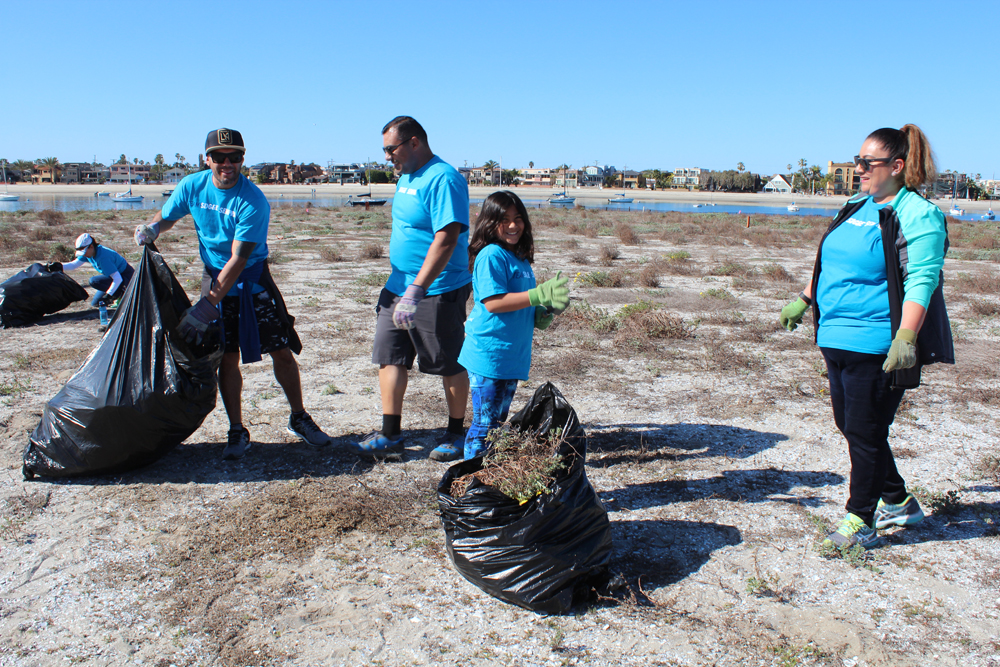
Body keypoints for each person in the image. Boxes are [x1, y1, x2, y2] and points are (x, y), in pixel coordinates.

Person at [779, 124, 953, 548]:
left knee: (864, 429)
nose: (858, 169)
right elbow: (830, 262)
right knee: (855, 426)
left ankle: (861, 520)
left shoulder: (916, 214)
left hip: (875, 342)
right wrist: (804, 299)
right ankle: (897, 501)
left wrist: (906, 337)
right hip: (834, 336)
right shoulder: (856, 204)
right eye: (857, 160)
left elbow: (922, 281)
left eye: (866, 163)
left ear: (896, 166)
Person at [134, 127, 332, 460]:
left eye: (235, 156)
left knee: (281, 351)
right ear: (206, 158)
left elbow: (239, 260)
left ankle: (299, 417)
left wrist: (205, 307)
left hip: (252, 280)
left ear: (243, 158)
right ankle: (237, 430)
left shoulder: (252, 200)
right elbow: (167, 217)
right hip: (213, 277)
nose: (228, 163)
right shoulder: (191, 186)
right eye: (220, 157)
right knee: (227, 357)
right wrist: (153, 227)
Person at [356, 116, 472, 461]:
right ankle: (390, 434)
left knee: (447, 362)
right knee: (389, 355)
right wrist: (404, 287)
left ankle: (456, 433)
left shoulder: (444, 178)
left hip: (437, 289)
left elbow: (447, 236)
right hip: (397, 287)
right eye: (385, 150)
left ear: (415, 142)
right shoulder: (406, 175)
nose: (388, 157)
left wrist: (418, 289)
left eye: (391, 149)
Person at [458, 191, 569, 460]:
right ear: (489, 222)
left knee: (496, 423)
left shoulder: (519, 258)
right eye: (504, 219)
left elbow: (522, 302)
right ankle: (472, 480)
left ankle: (486, 475)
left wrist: (545, 310)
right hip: (490, 353)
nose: (512, 225)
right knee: (485, 425)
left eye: (518, 218)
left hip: (511, 355)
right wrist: (537, 294)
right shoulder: (491, 255)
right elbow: (494, 302)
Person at [54, 233, 135, 311]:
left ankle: (122, 294)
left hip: (126, 278)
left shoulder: (104, 257)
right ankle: (117, 294)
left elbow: (117, 278)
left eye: (84, 252)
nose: (84, 255)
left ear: (91, 246)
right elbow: (74, 265)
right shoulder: (90, 253)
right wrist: (59, 266)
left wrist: (109, 295)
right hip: (114, 278)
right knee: (96, 303)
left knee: (94, 281)